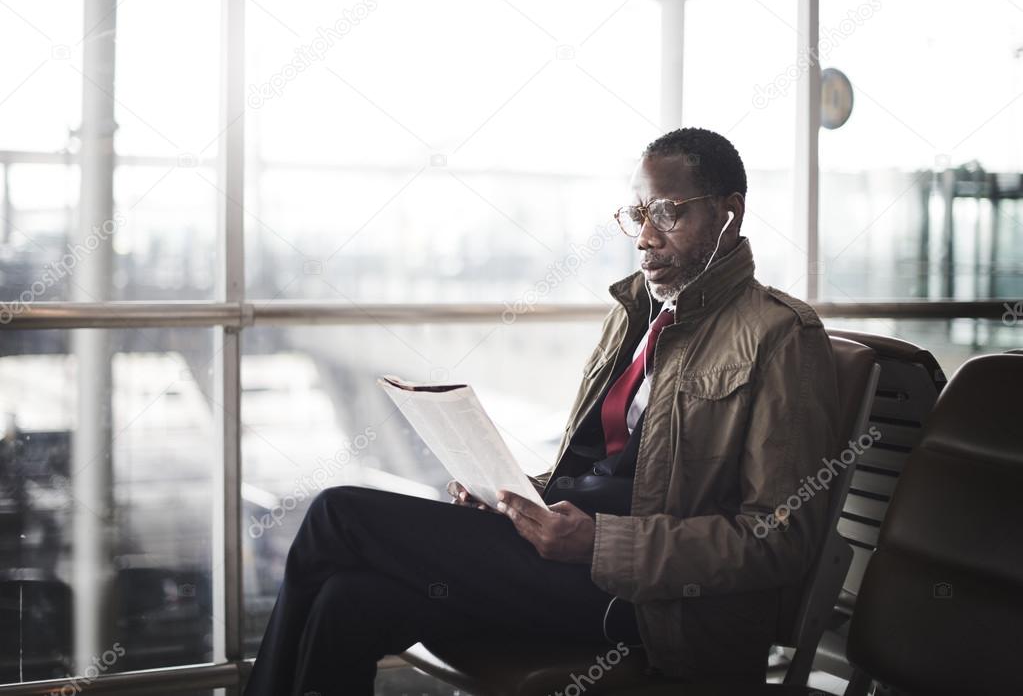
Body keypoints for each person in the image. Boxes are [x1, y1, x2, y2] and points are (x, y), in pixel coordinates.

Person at [243, 127, 841, 696]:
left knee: (337, 513)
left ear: (728, 212)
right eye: (639, 214)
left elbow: (778, 540)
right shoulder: (635, 315)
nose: (645, 238)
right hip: (570, 557)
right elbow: (606, 469)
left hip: (653, 604)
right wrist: (512, 492)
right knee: (347, 600)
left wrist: (599, 543)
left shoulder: (780, 336)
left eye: (669, 213)